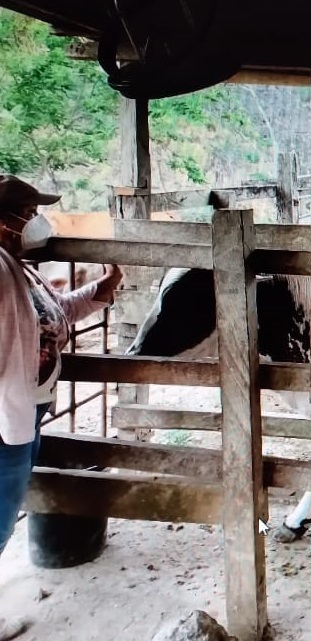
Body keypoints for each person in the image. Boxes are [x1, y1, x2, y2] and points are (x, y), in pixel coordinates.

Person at [0, 175, 123, 640]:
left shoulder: (18, 267)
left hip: (24, 409)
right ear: (5, 221)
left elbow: (51, 315)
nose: (36, 222)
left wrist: (100, 288)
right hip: (5, 413)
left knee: (6, 504)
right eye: (27, 214)